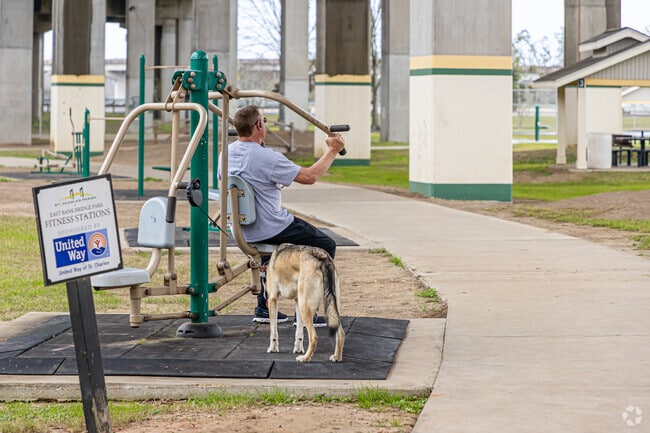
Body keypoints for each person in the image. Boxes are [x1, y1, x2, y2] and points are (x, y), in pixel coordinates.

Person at [227, 104, 346, 325]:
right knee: (326, 245)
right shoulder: (267, 158)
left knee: (270, 246)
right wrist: (332, 150)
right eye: (263, 122)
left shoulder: (226, 153)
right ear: (259, 125)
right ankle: (310, 311)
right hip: (270, 227)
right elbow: (310, 177)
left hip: (241, 229)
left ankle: (264, 307)